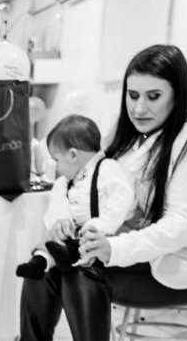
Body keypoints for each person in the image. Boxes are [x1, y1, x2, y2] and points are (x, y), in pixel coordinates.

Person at [0, 45, 187, 341]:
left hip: (174, 266)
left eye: (153, 97)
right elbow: (72, 178)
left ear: (179, 93)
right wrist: (59, 223)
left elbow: (183, 226)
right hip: (123, 251)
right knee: (46, 261)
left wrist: (113, 248)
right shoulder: (117, 127)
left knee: (83, 270)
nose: (139, 107)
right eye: (132, 94)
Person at [15, 115, 133, 280]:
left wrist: (99, 225)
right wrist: (61, 223)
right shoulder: (64, 183)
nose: (56, 167)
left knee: (86, 246)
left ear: (73, 156)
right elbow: (57, 206)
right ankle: (39, 262)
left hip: (104, 233)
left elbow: (121, 200)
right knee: (51, 239)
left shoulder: (108, 169)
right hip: (75, 232)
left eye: (57, 160)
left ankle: (67, 256)